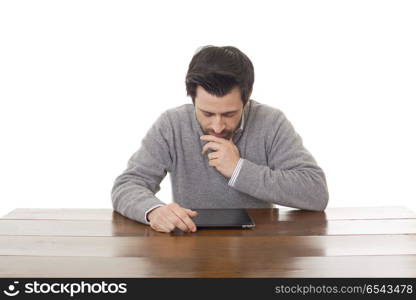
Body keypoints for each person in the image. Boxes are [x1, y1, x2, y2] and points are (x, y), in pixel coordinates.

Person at [111, 45, 329, 233]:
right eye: (206, 113)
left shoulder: (271, 122)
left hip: (259, 246)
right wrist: (154, 211)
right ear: (192, 97)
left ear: (247, 96)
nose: (217, 126)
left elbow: (316, 193)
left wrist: (238, 170)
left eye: (229, 114)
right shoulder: (171, 124)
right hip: (189, 242)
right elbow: (127, 185)